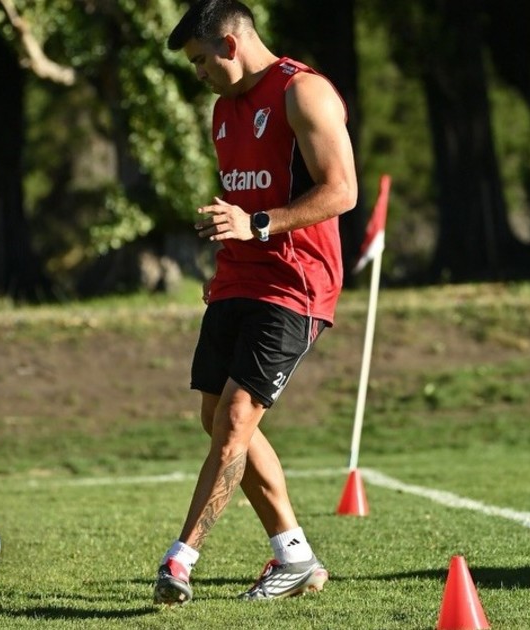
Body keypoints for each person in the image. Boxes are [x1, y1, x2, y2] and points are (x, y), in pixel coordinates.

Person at [153, 0, 358, 606]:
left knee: (237, 420)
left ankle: (181, 558)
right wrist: (227, 252)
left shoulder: (303, 92)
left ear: (229, 44)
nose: (198, 74)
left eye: (199, 61)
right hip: (238, 279)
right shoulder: (223, 110)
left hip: (296, 283)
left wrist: (259, 225)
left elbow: (342, 190)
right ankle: (295, 557)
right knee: (215, 417)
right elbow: (242, 203)